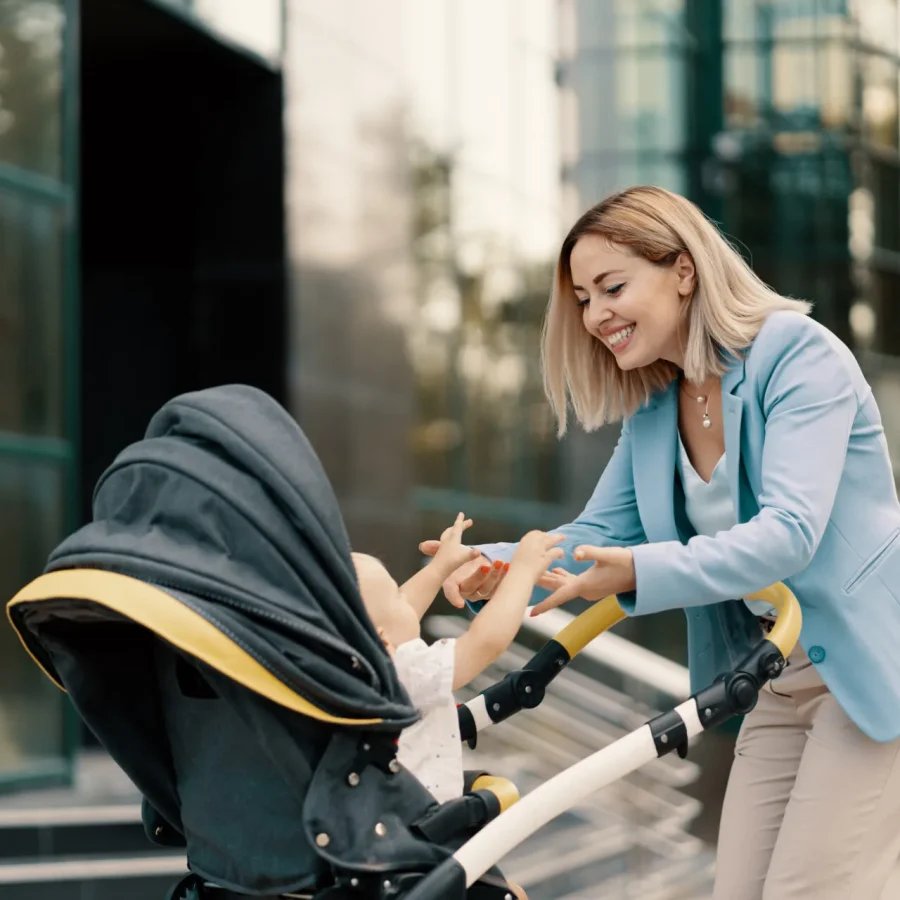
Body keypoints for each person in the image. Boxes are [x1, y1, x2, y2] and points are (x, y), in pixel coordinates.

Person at [420, 185, 900, 899]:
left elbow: (788, 536)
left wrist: (638, 572)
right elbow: (596, 538)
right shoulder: (654, 410)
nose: (595, 315)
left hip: (868, 670)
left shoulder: (798, 356)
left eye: (612, 287)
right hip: (778, 679)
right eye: (583, 298)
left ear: (683, 270)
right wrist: (500, 566)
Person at [353, 514, 563, 900]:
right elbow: (485, 642)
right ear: (381, 638)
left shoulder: (345, 672)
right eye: (397, 597)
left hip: (380, 837)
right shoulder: (399, 672)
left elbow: (392, 615)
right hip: (423, 842)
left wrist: (441, 567)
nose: (408, 600)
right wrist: (523, 574)